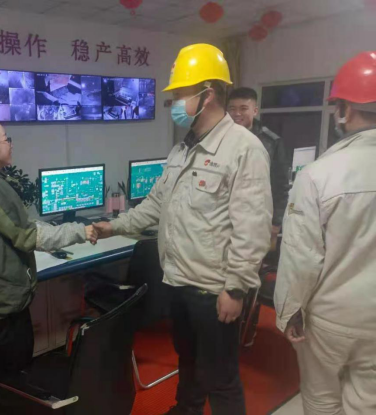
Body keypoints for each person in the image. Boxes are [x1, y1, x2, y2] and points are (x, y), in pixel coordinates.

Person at [93, 44, 273, 415]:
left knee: (220, 376)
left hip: (214, 289)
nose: (175, 103)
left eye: (179, 94)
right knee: (188, 361)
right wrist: (113, 226)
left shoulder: (244, 148)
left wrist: (236, 288)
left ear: (207, 94)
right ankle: (186, 410)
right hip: (177, 281)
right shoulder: (182, 150)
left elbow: (252, 227)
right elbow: (154, 206)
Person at [0, 117, 97, 382]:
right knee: (16, 371)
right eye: (6, 139)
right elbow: (29, 236)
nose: (11, 144)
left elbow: (16, 227)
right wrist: (81, 231)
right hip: (2, 300)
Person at [274, 51, 376, 415]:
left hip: (332, 318)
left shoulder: (319, 174)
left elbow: (301, 257)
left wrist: (289, 312)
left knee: (321, 401)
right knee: (368, 403)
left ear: (345, 109)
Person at [228, 87, 290, 247]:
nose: (237, 114)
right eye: (232, 109)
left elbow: (280, 185)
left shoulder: (271, 142)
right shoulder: (220, 139)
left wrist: (275, 224)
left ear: (255, 111)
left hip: (256, 218)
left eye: (243, 108)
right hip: (224, 218)